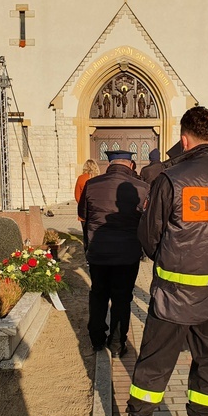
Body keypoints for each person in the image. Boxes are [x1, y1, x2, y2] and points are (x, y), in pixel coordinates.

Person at [96, 107, 208, 416]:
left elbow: (148, 236)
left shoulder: (172, 179)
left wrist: (166, 261)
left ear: (185, 139)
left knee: (152, 368)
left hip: (174, 297)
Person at [78, 150, 148, 358]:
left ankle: (97, 339)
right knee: (122, 298)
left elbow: (83, 216)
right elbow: (147, 222)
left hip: (99, 251)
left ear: (110, 164)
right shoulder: (143, 188)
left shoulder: (92, 184)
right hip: (128, 253)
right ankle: (117, 344)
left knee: (99, 293)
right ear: (131, 165)